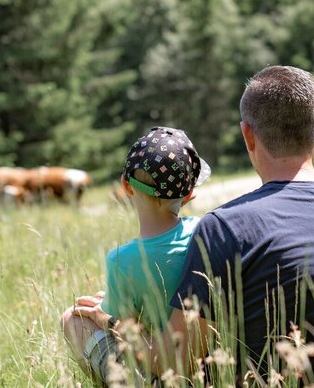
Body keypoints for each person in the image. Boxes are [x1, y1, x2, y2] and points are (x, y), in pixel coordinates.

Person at [73, 66, 314, 387]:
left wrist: (109, 320)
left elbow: (175, 359)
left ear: (247, 135)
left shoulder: (225, 227)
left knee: (76, 323)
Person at [61, 126, 210, 384]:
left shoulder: (121, 261)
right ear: (189, 195)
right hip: (209, 368)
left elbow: (126, 328)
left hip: (157, 367)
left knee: (72, 319)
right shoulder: (204, 232)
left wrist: (103, 314)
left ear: (126, 187)